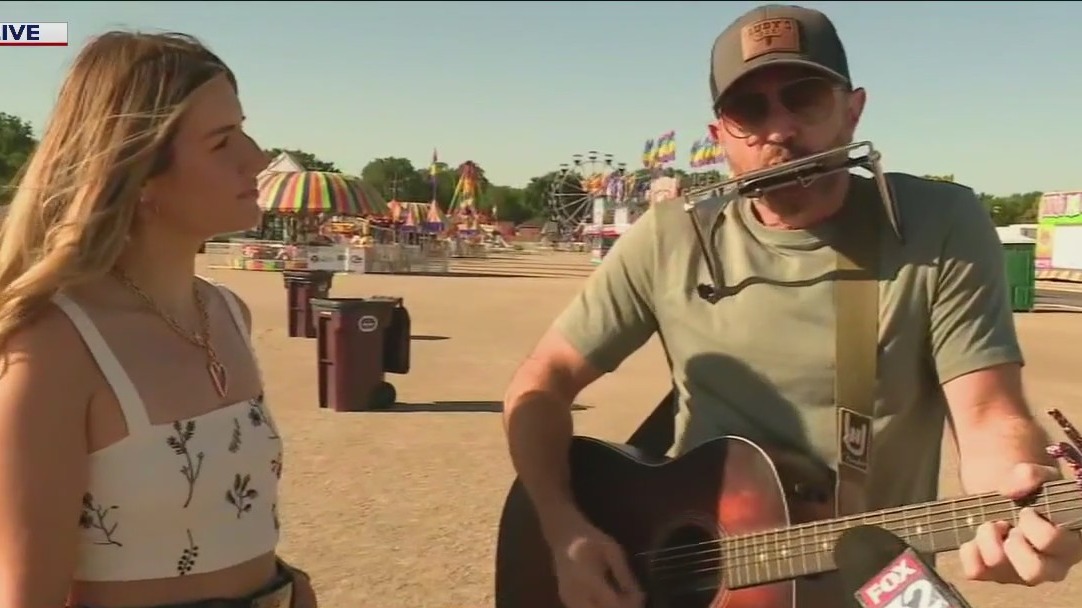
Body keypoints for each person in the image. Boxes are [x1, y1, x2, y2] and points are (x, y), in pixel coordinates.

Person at [502, 5, 1082, 608]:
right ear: (720, 134)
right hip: (681, 585)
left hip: (874, 583)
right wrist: (562, 528)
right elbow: (539, 383)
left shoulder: (935, 226)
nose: (779, 130)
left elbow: (988, 410)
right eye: (749, 110)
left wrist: (1018, 493)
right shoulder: (669, 237)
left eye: (804, 98)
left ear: (852, 111)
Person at [0, 32, 317, 608]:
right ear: (140, 172)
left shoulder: (227, 312)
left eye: (243, 129)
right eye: (223, 143)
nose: (258, 156)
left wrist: (285, 580)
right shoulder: (55, 346)